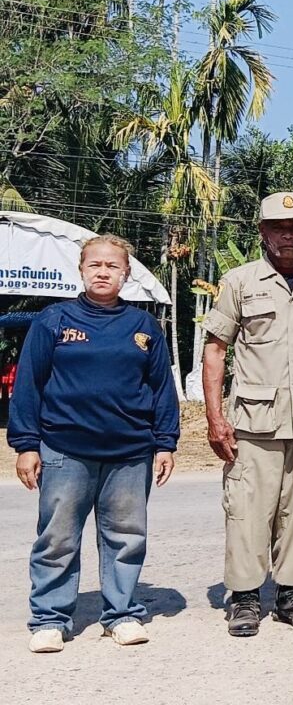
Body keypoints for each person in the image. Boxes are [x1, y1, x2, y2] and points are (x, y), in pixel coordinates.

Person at [8, 235, 178, 653]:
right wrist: (26, 444)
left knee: (126, 537)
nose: (103, 272)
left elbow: (162, 388)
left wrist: (165, 442)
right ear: (81, 270)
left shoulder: (143, 327)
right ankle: (50, 619)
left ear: (126, 274)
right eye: (95, 265)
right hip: (64, 448)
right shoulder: (53, 320)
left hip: (130, 452)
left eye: (112, 266)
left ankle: (121, 615)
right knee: (57, 539)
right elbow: (28, 384)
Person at [202, 192, 293, 636]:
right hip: (255, 421)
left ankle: (291, 595)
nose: (289, 235)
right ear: (263, 232)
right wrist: (215, 418)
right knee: (248, 510)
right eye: (279, 228)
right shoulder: (239, 281)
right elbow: (216, 349)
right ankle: (246, 598)